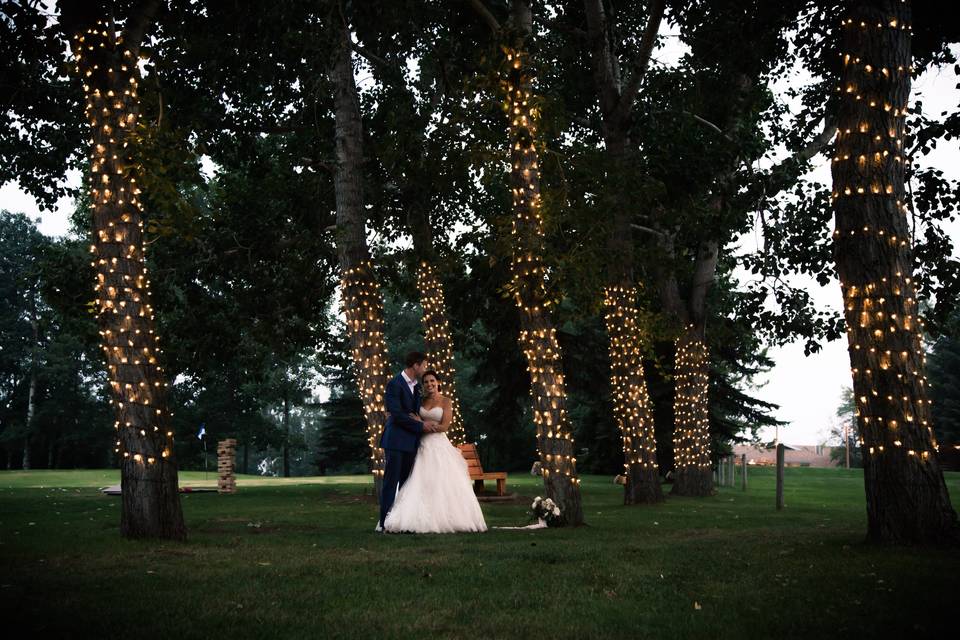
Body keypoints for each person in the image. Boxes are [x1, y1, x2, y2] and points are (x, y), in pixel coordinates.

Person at [383, 369, 487, 533]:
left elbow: (445, 426)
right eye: (425, 382)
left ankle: (447, 518)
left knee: (442, 482)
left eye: (432, 381)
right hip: (420, 445)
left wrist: (423, 425)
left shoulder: (446, 401)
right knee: (419, 480)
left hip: (439, 446)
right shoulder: (420, 400)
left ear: (438, 383)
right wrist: (415, 422)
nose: (429, 384)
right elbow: (410, 416)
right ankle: (414, 518)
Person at [377, 351, 433, 531]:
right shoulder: (394, 384)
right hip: (395, 441)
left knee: (406, 484)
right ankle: (385, 523)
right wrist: (420, 425)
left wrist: (418, 421)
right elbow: (398, 414)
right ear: (415, 365)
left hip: (411, 442)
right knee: (390, 483)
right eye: (423, 365)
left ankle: (401, 522)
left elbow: (414, 413)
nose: (424, 368)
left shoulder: (417, 387)